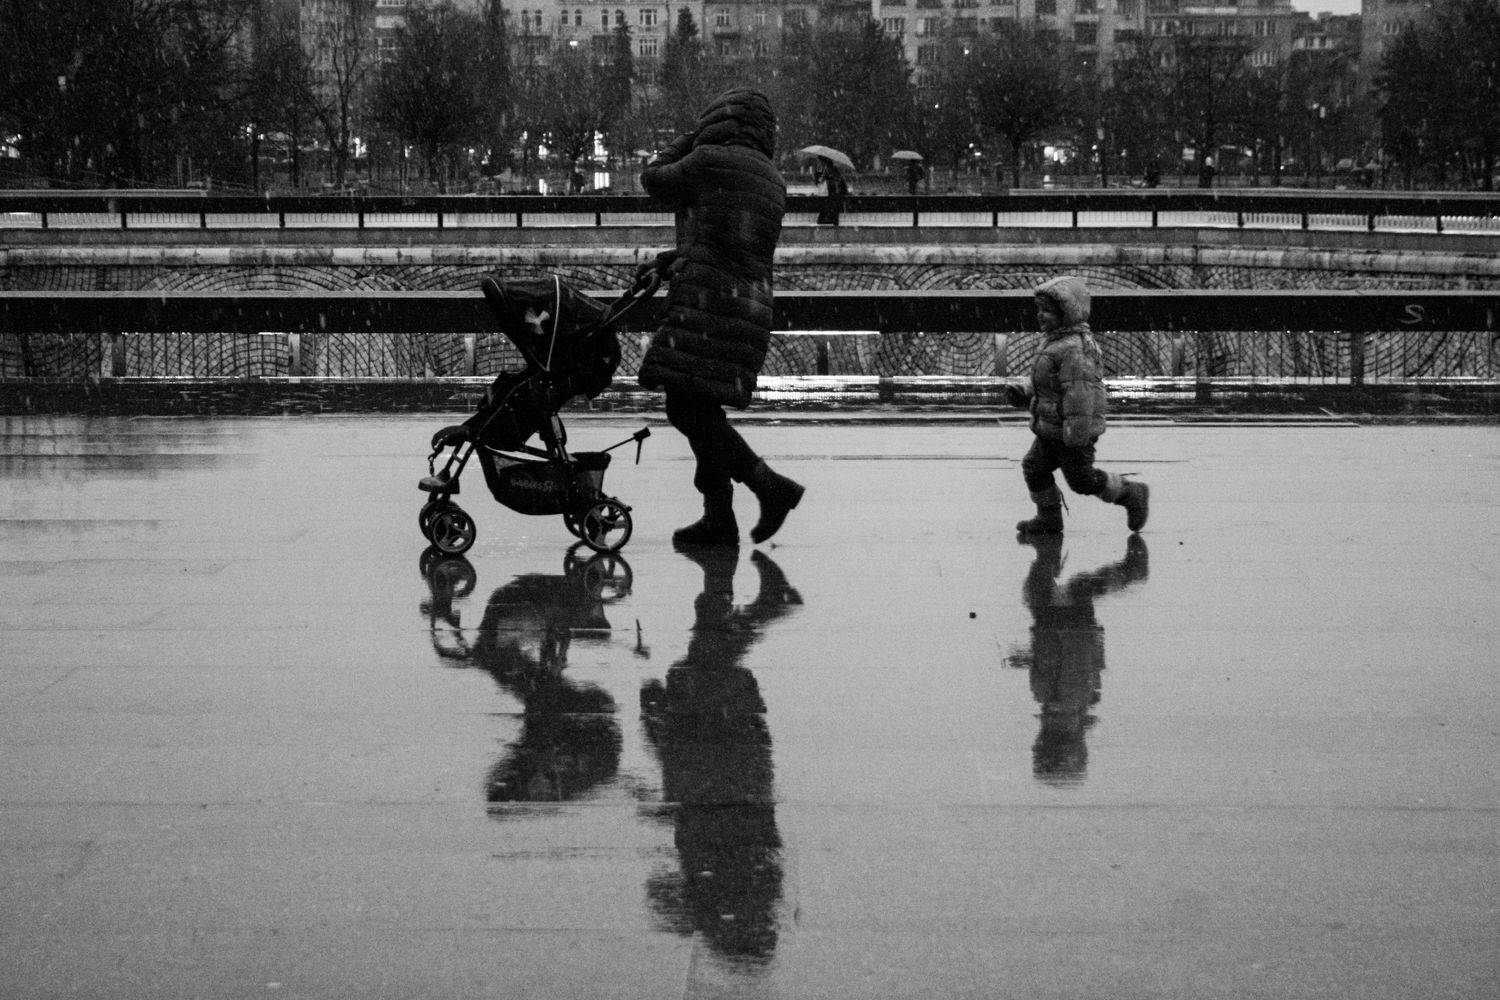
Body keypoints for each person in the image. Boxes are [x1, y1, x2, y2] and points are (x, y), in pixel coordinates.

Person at [636, 88, 804, 547]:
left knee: (686, 407)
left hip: (707, 304)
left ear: (717, 120)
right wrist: (674, 259)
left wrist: (688, 139)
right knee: (702, 409)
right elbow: (726, 242)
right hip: (746, 307)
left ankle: (768, 486)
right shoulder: (772, 178)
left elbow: (653, 180)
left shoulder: (708, 159)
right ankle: (719, 518)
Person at [1005, 275, 1149, 535]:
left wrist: (1076, 434)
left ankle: (1130, 493)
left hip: (1072, 432)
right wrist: (1025, 391)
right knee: (1034, 468)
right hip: (1052, 427)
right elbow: (1046, 381)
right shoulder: (1055, 341)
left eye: (1047, 311)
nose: (1040, 315)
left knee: (1082, 481)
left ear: (1067, 313)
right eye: (1039, 309)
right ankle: (1048, 518)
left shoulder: (1074, 349)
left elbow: (1080, 395)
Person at [815, 155, 848, 225]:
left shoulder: (831, 170)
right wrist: (820, 178)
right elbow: (819, 182)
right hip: (829, 196)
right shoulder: (823, 170)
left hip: (833, 196)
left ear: (824, 162)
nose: (819, 163)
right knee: (828, 214)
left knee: (830, 213)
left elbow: (837, 181)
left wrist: (827, 179)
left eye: (820, 162)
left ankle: (831, 226)